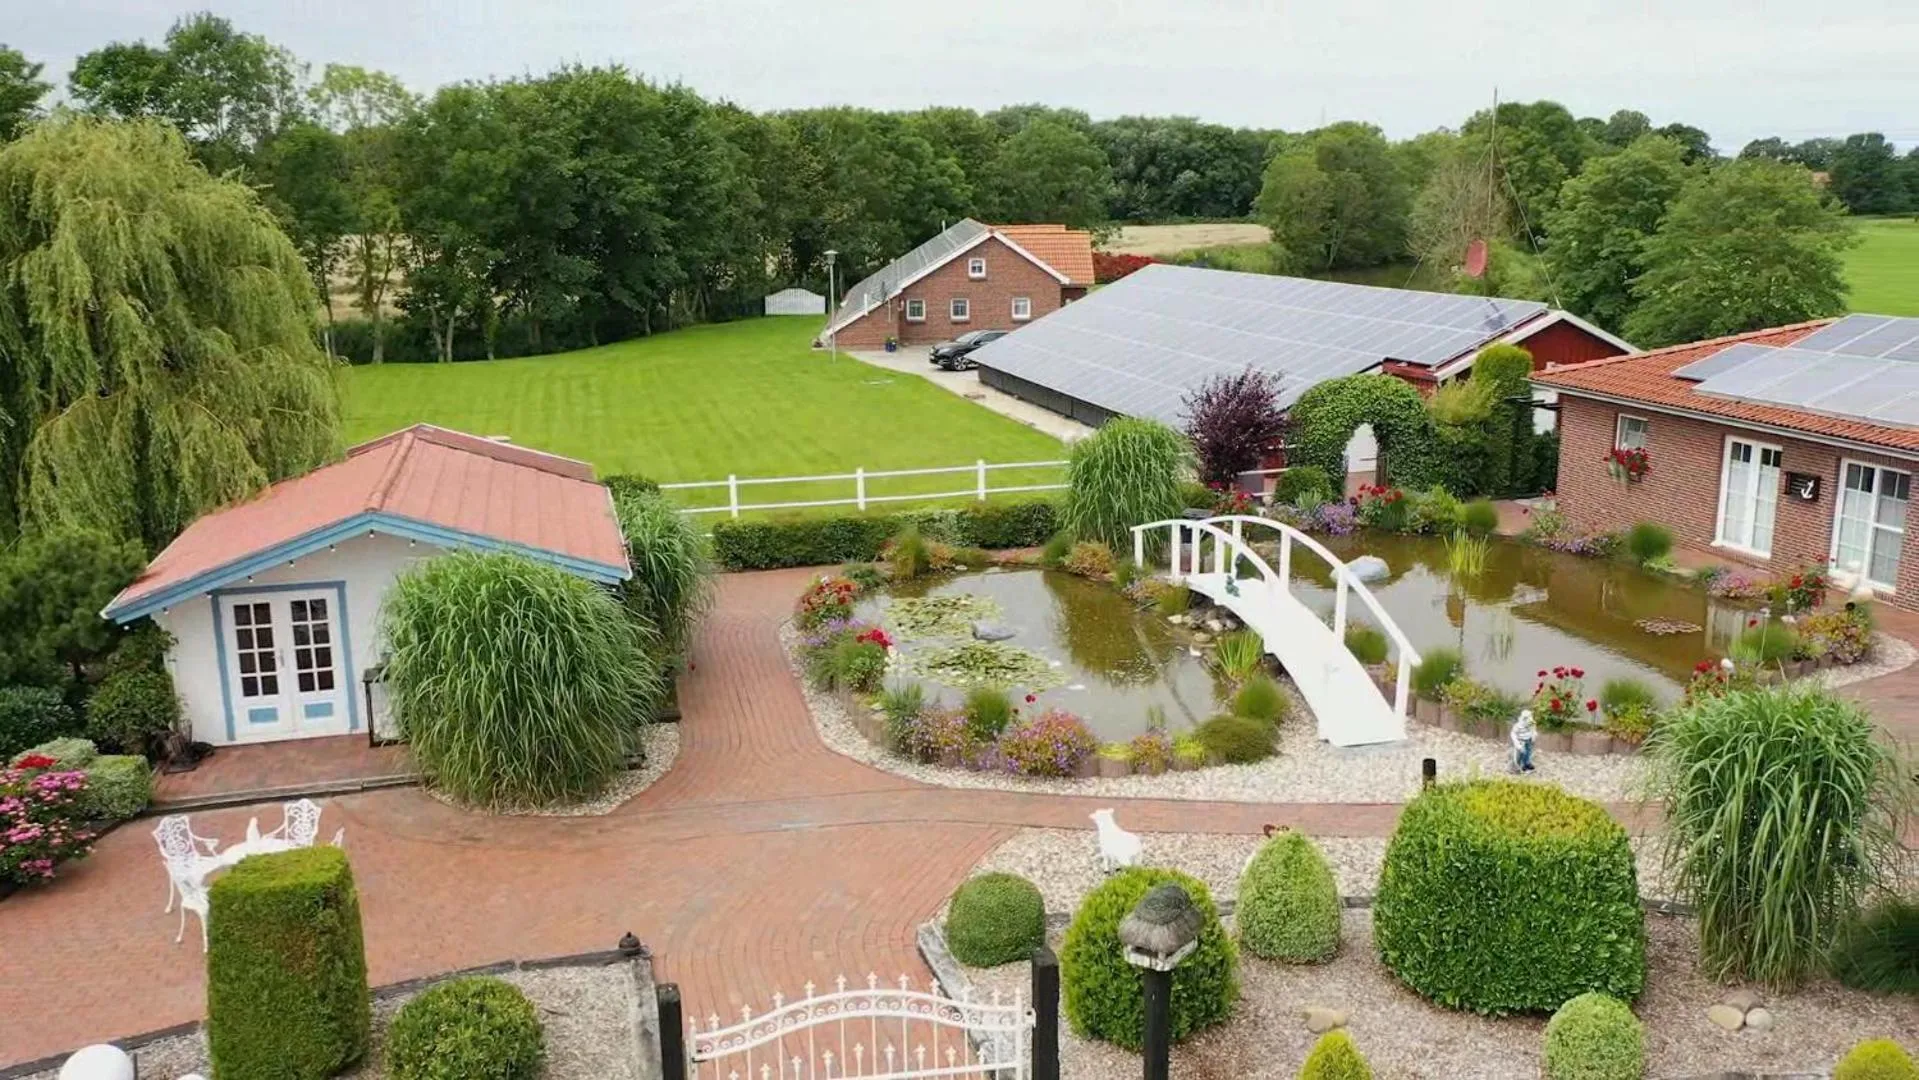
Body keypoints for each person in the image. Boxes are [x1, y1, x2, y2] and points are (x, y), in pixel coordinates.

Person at [1509, 708, 1538, 774]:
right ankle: (1518, 766)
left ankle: (1527, 763)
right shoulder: (1518, 726)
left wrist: (1534, 735)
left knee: (1528, 752)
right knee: (1521, 754)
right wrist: (1517, 744)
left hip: (1528, 740)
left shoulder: (1531, 722)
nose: (1530, 719)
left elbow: (1533, 728)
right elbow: (1513, 734)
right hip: (1521, 741)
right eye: (1528, 718)